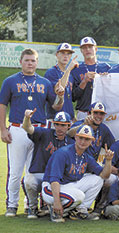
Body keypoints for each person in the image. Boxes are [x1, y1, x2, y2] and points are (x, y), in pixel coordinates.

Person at [0, 48, 65, 217]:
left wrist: (61, 96)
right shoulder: (10, 81)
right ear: (20, 62)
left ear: (37, 62)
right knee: (15, 171)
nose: (30, 63)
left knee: (34, 171)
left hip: (39, 130)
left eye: (33, 60)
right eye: (27, 60)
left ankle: (31, 205)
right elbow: (2, 105)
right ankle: (12, 205)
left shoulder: (45, 82)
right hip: (17, 128)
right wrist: (2, 129)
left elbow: (56, 106)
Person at [42, 125, 114, 222]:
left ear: (91, 141)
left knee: (98, 179)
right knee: (79, 196)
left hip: (68, 186)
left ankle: (79, 211)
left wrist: (108, 161)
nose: (83, 142)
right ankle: (55, 211)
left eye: (87, 139)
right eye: (81, 138)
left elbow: (104, 175)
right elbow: (54, 179)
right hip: (50, 188)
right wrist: (57, 201)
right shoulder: (63, 153)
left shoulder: (86, 157)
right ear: (75, 137)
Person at [23, 110, 74, 219]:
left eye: (63, 125)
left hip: (58, 179)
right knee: (28, 180)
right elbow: (28, 128)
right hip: (40, 173)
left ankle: (56, 207)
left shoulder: (71, 143)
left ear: (68, 126)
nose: (60, 128)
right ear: (53, 124)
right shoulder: (44, 133)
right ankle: (32, 207)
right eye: (57, 124)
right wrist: (27, 118)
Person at [71, 36, 111, 120]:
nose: (87, 50)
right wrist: (84, 81)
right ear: (81, 51)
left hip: (102, 113)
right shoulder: (76, 69)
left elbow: (112, 91)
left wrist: (106, 79)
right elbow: (74, 97)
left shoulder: (106, 67)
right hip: (83, 112)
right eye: (84, 48)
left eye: (90, 47)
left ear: (96, 49)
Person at [44, 43, 79, 126]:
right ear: (57, 54)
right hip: (55, 119)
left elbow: (68, 98)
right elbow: (60, 90)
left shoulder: (70, 75)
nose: (65, 56)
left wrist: (72, 116)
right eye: (62, 53)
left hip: (68, 119)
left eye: (68, 53)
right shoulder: (51, 72)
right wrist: (69, 69)